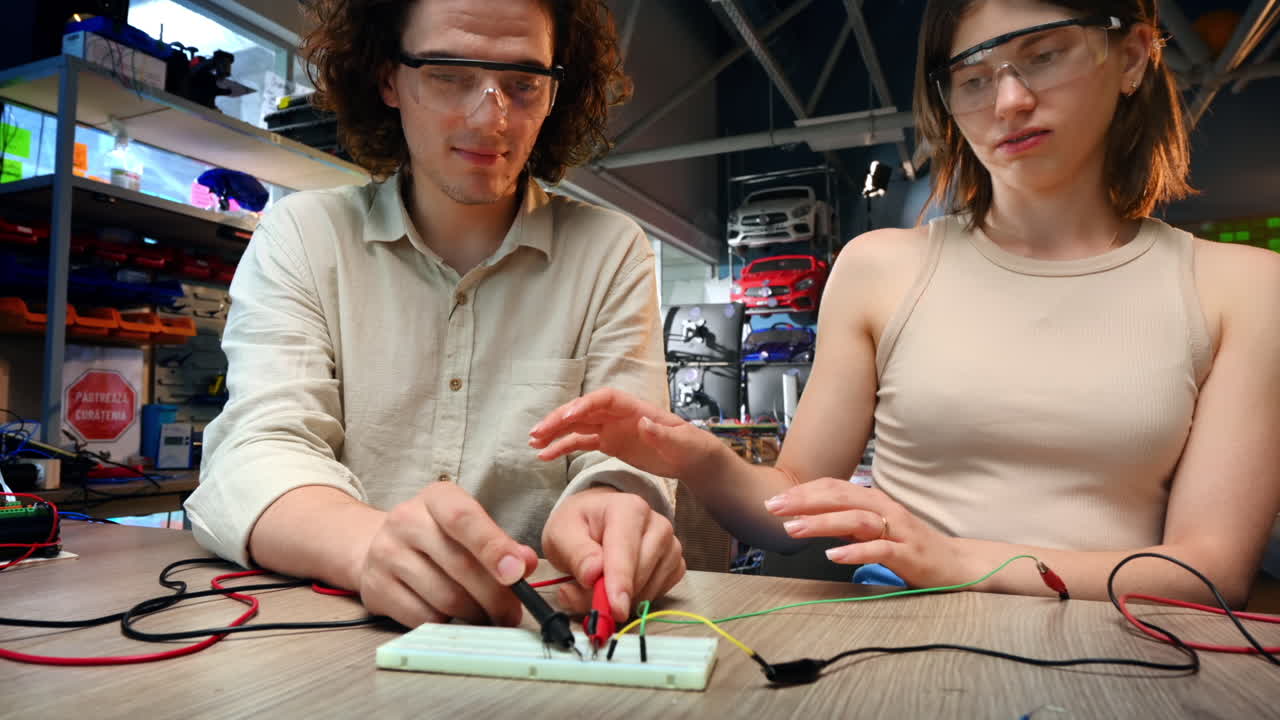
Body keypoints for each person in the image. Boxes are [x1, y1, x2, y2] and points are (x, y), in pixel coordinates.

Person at [530, 0, 1280, 607]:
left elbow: (1209, 571)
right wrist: (700, 461)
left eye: (1044, 55)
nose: (1010, 100)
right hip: (898, 641)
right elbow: (791, 508)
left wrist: (957, 558)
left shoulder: (1241, 288)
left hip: (1119, 652)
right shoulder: (881, 268)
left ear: (1134, 56)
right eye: (973, 77)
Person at [185, 0, 686, 630]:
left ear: (557, 90)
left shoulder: (610, 250)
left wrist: (612, 509)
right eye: (449, 73)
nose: (491, 116)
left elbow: (626, 457)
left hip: (544, 637)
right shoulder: (304, 237)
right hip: (333, 635)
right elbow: (256, 451)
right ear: (388, 78)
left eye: (523, 84)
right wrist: (368, 546)